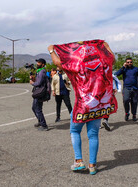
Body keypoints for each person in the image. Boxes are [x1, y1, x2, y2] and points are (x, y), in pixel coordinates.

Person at [48, 40, 117, 175]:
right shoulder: (102, 64)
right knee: (93, 135)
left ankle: (79, 161)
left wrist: (51, 50)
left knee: (74, 131)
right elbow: (111, 59)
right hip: (98, 106)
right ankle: (92, 165)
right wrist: (106, 46)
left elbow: (58, 63)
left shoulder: (77, 65)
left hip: (82, 106)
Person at [30, 58, 49, 131]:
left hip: (40, 92)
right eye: (37, 62)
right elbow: (38, 81)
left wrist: (32, 83)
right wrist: (33, 79)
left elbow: (39, 83)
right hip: (38, 92)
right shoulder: (39, 71)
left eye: (39, 62)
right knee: (35, 108)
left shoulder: (42, 72)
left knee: (37, 108)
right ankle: (40, 121)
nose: (37, 63)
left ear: (43, 64)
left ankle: (44, 125)